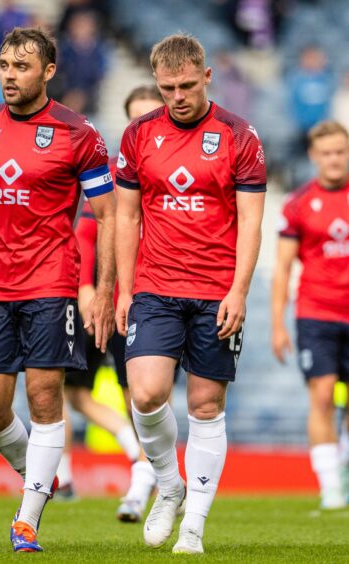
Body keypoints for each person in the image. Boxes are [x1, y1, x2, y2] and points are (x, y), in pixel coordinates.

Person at [0, 27, 115, 553]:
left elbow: (107, 216)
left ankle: (27, 517)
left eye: (22, 66)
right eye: (5, 65)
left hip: (51, 282)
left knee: (44, 397)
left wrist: (103, 290)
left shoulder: (79, 134)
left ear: (49, 71)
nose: (10, 75)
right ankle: (39, 472)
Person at [115, 34, 266, 554]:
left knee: (206, 405)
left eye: (185, 85)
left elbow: (250, 223)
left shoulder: (239, 135)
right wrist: (122, 289)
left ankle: (195, 524)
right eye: (166, 88)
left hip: (215, 290)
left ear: (206, 77)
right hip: (156, 285)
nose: (176, 96)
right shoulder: (138, 135)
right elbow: (127, 215)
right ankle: (168, 484)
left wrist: (240, 291)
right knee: (147, 393)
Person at [60, 86, 164, 520]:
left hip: (148, 300)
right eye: (136, 116)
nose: (143, 124)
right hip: (101, 295)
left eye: (150, 115)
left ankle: (145, 485)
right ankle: (68, 474)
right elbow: (88, 229)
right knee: (69, 390)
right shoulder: (109, 170)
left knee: (142, 396)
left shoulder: (174, 173)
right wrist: (86, 288)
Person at [272, 120, 349, 510]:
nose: (334, 159)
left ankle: (344, 465)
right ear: (313, 156)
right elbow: (283, 268)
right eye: (327, 153)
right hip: (316, 313)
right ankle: (331, 488)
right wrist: (276, 325)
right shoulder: (299, 204)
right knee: (321, 396)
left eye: (340, 152)